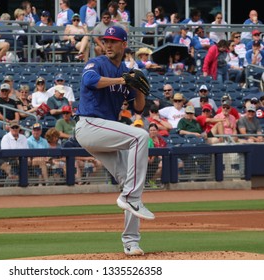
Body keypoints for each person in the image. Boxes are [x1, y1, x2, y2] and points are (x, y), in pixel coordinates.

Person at [75, 26, 155, 256]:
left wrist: (139, 86)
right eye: (106, 41)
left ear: (123, 44)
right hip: (89, 125)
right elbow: (91, 81)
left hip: (106, 132)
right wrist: (123, 78)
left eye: (113, 41)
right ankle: (130, 198)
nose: (108, 44)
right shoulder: (97, 63)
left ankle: (131, 242)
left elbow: (138, 107)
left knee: (129, 183)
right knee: (140, 135)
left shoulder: (126, 70)